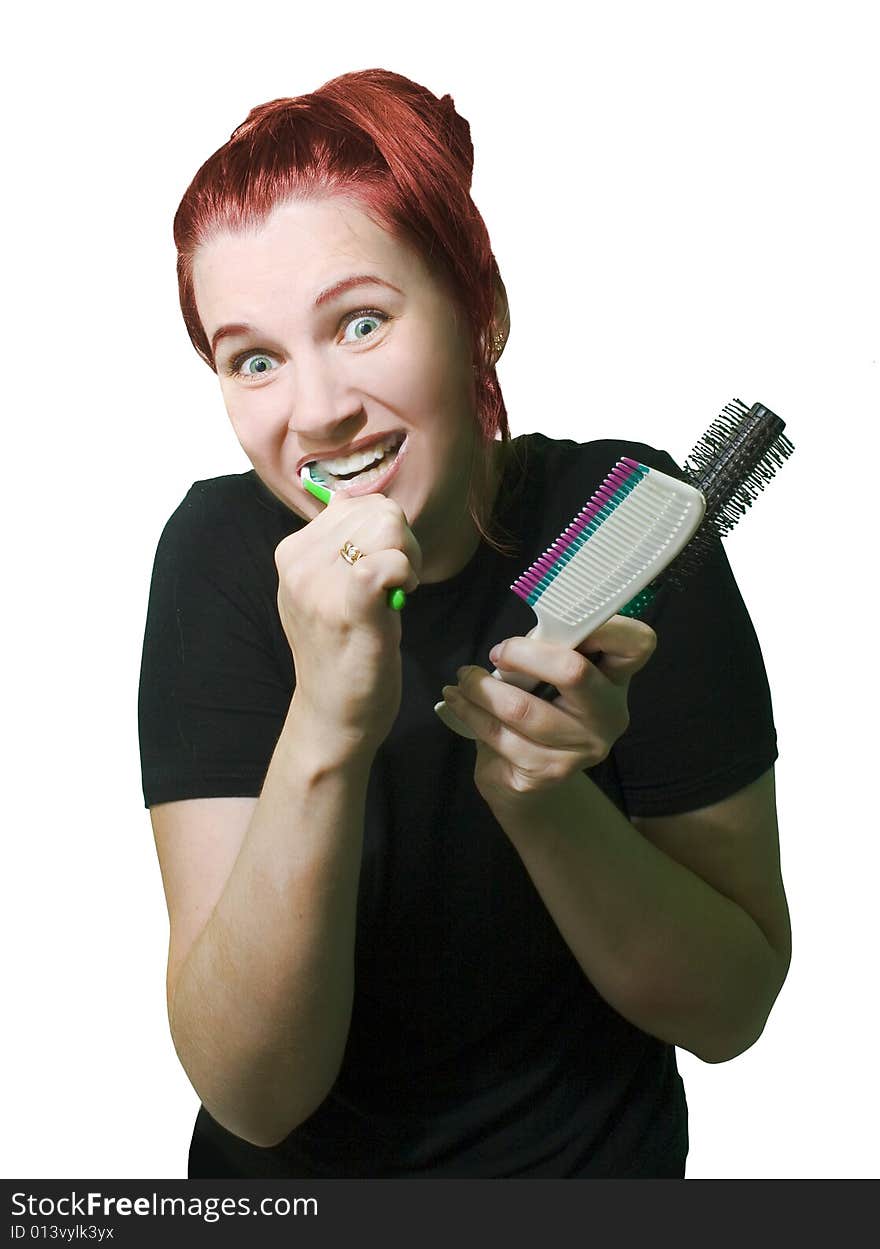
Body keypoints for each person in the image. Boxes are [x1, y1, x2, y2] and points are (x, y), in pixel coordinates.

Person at [138, 68, 791, 1179]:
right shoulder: (221, 559)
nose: (317, 412)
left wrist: (543, 802)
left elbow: (727, 1012)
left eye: (360, 322)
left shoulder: (628, 524)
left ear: (479, 312)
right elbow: (253, 1095)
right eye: (254, 358)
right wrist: (326, 726)